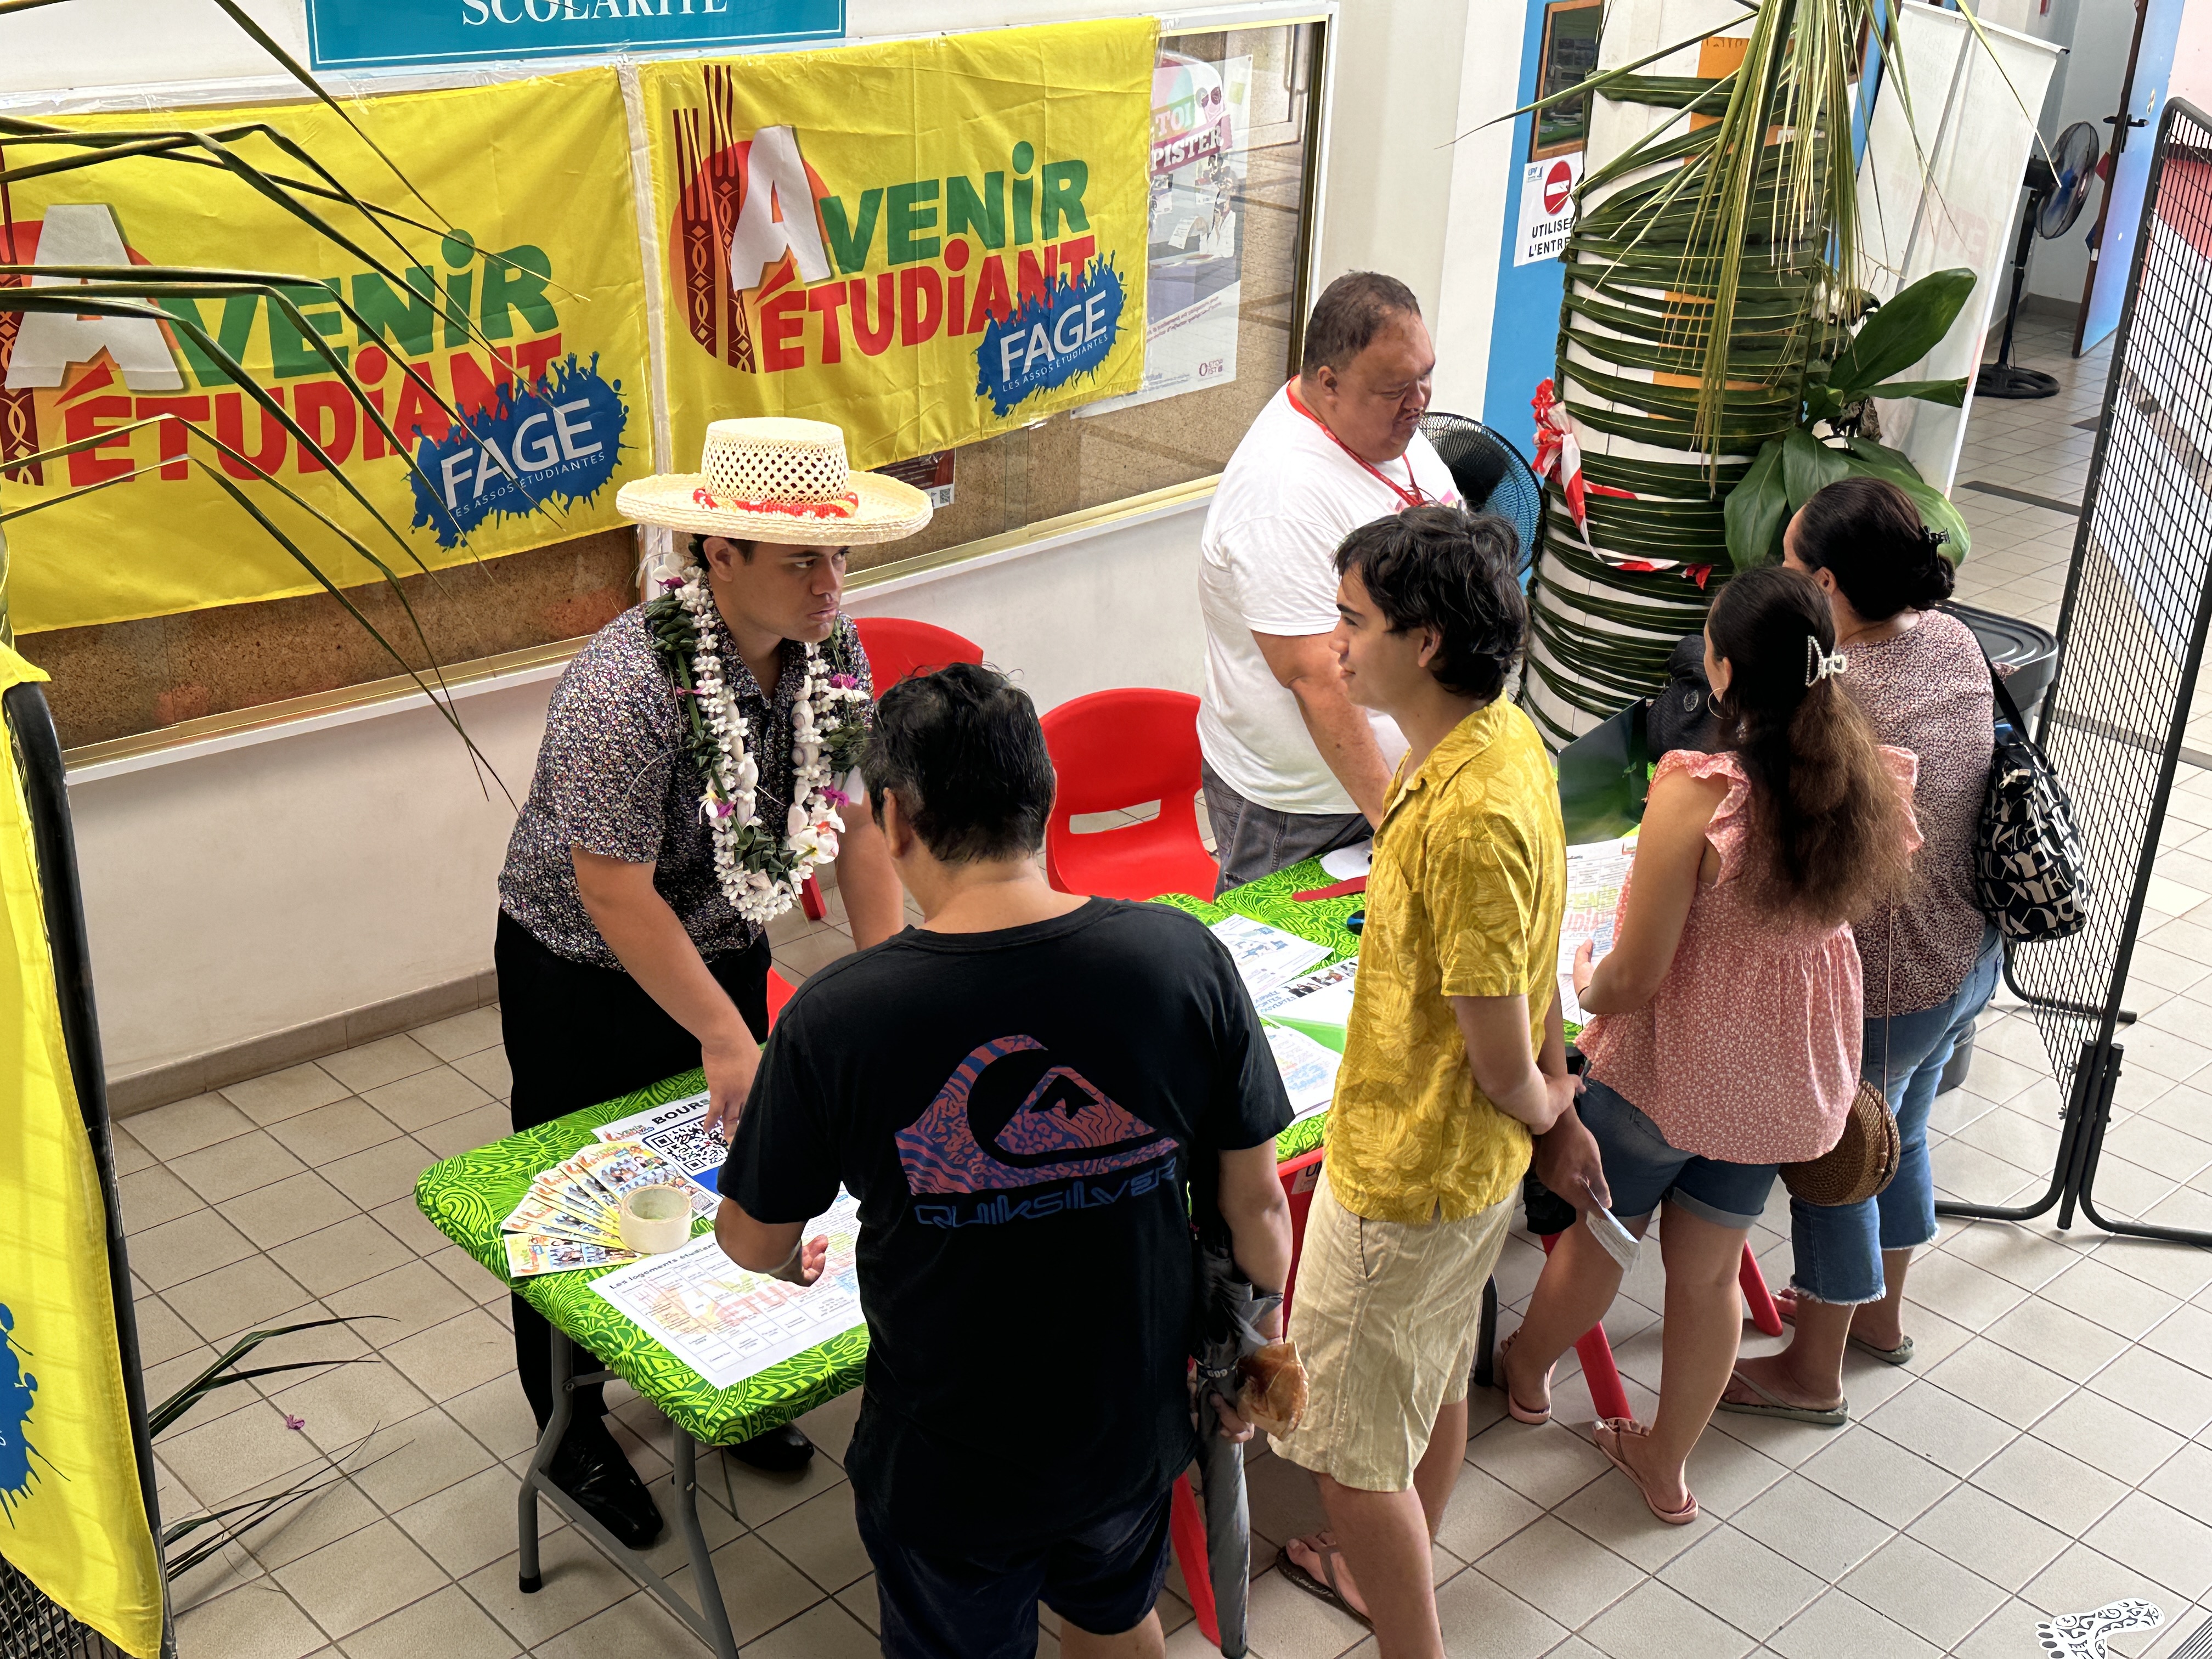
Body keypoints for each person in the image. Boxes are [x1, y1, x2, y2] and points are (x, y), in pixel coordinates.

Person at [714, 662, 1296, 1659]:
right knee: (1118, 1618)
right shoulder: (1179, 957)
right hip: (1129, 1429)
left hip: (949, 1463)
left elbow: (753, 1238)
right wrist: (1256, 1353)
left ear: (894, 819)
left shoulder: (837, 1019)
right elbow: (1260, 1210)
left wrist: (781, 1245)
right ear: (1046, 795)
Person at [492, 417, 921, 1545]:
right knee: (587, 1198)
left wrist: (893, 985)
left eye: (839, 557)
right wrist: (729, 1035)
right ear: (718, 555)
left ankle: (718, 1379)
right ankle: (569, 1425)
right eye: (802, 560)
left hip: (723, 935)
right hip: (581, 966)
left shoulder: (831, 645)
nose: (831, 584)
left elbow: (855, 814)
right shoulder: (625, 685)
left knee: (734, 1163)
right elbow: (612, 888)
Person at [1501, 566, 1920, 1526]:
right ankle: (1666, 1466)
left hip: (1668, 1072)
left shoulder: (1700, 792)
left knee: (1603, 1235)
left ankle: (1525, 1375)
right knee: (1707, 1272)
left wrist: (1583, 979)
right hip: (1779, 1078)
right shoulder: (1866, 777)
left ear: (1723, 671)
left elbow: (1636, 975)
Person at [1269, 506, 1572, 1656]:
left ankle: (1405, 1622)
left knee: (1350, 1459)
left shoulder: (1468, 815)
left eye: (1354, 622)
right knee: (1430, 1381)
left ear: (1426, 641)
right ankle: (1395, 1573)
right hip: (1458, 1168)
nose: (1335, 645)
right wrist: (1547, 1100)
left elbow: (1498, 1046)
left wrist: (1550, 1106)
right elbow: (1534, 967)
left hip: (1411, 1175)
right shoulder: (1497, 741)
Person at [1719, 478, 1999, 1423]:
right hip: (1965, 951)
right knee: (1901, 1134)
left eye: (1789, 563)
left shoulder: (1838, 697)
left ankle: (1813, 1372)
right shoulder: (1951, 639)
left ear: (1828, 584)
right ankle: (1879, 1316)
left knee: (1836, 1166)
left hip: (1883, 984)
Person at [1195, 271, 1464, 893]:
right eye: (1394, 389)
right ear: (1329, 384)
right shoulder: (1281, 496)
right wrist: (1393, 823)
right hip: (1313, 811)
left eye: (1425, 376)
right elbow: (1317, 678)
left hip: (1409, 777)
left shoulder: (1383, 427)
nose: (1418, 402)